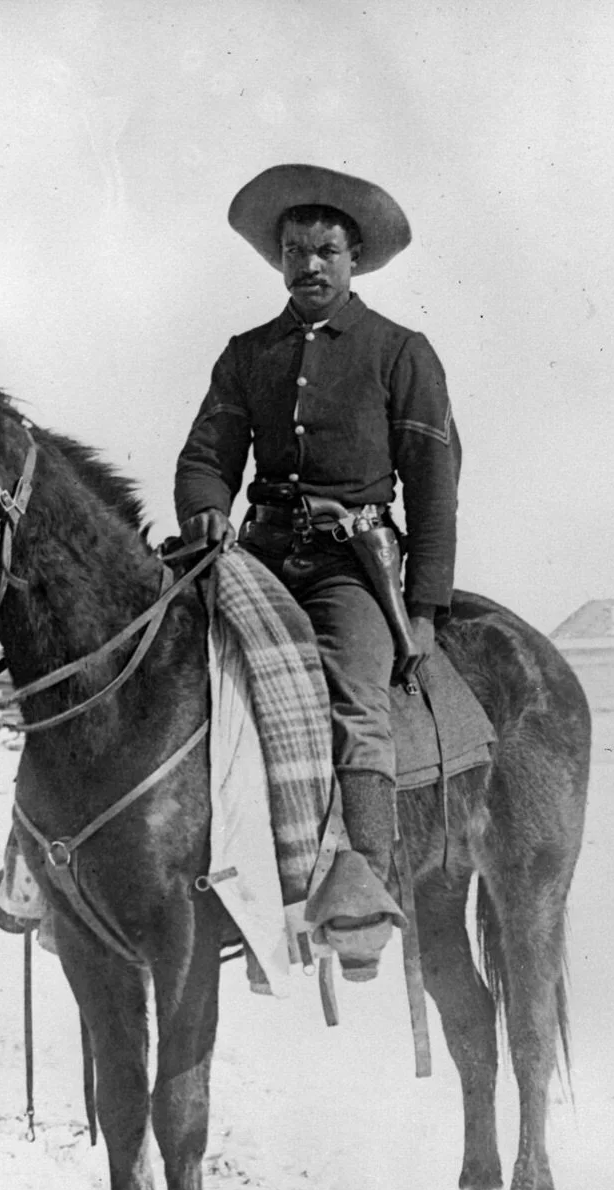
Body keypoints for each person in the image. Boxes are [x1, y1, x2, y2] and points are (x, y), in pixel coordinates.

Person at [175, 164, 460, 962]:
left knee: (356, 702)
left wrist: (426, 610)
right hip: (259, 556)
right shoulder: (247, 355)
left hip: (349, 571)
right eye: (294, 249)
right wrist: (204, 506)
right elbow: (206, 456)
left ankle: (362, 891)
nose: (308, 265)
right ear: (279, 260)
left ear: (354, 258)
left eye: (325, 249)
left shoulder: (400, 353)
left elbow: (435, 488)